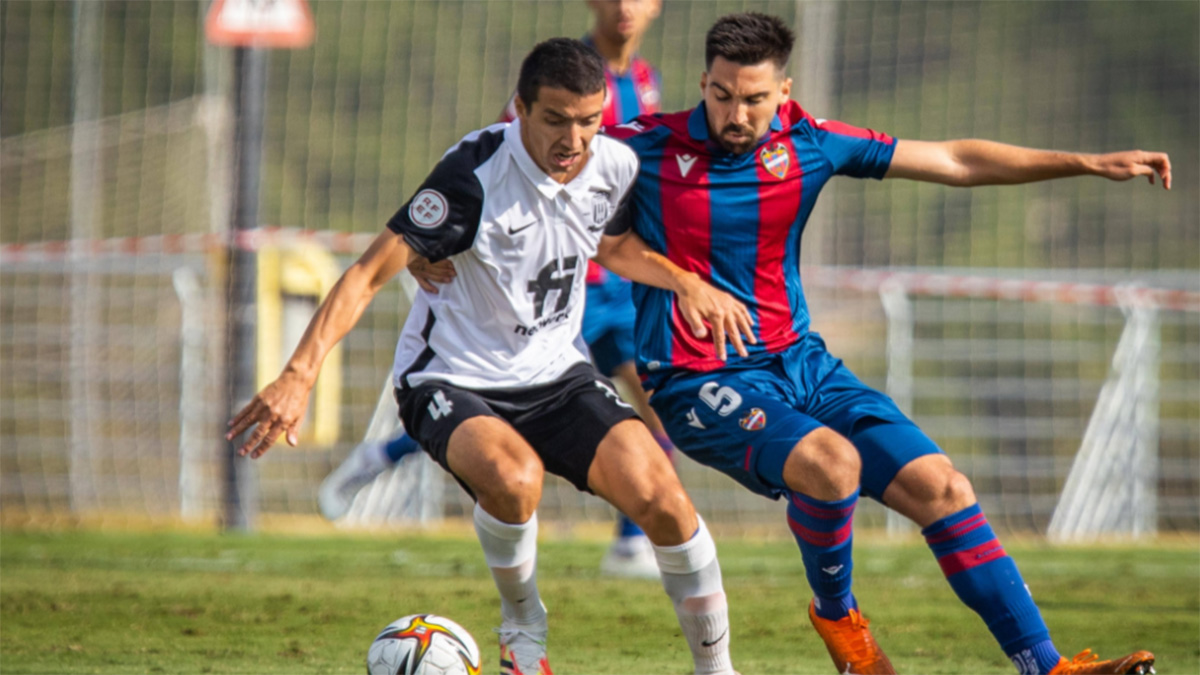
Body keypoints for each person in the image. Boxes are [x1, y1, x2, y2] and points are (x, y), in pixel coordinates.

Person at [599, 13, 1166, 675]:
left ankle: (1048, 666)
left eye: (753, 98)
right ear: (704, 82)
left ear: (783, 90)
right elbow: (597, 231)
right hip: (693, 378)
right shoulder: (642, 147)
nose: (735, 112)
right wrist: (683, 283)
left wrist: (1087, 163)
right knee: (832, 464)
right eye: (722, 95)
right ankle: (840, 620)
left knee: (944, 486)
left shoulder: (811, 143)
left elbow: (955, 159)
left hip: (799, 362)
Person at [228, 38, 748, 675]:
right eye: (555, 119)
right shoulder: (472, 175)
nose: (574, 140)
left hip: (557, 372)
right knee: (513, 478)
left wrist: (687, 283)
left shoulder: (610, 164)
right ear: (520, 110)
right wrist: (297, 374)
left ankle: (716, 669)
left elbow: (612, 248)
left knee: (666, 500)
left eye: (589, 122)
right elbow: (367, 273)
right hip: (449, 376)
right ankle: (523, 620)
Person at [320, 0, 674, 580]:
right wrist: (431, 243)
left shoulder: (645, 79)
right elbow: (497, 168)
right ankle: (385, 453)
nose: (626, 8)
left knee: (657, 405)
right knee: (505, 424)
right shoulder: (567, 73)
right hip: (540, 292)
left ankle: (631, 543)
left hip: (613, 288)